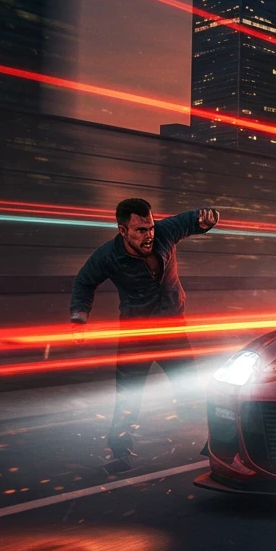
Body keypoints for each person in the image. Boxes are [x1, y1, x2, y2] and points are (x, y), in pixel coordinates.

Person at [70, 198, 219, 469]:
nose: (149, 235)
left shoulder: (165, 231)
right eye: (140, 230)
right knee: (128, 396)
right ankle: (119, 453)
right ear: (123, 230)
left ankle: (218, 444)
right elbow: (84, 282)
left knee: (192, 389)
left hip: (172, 330)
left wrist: (209, 220)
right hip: (135, 337)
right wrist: (79, 317)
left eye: (150, 227)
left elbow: (194, 219)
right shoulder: (108, 256)